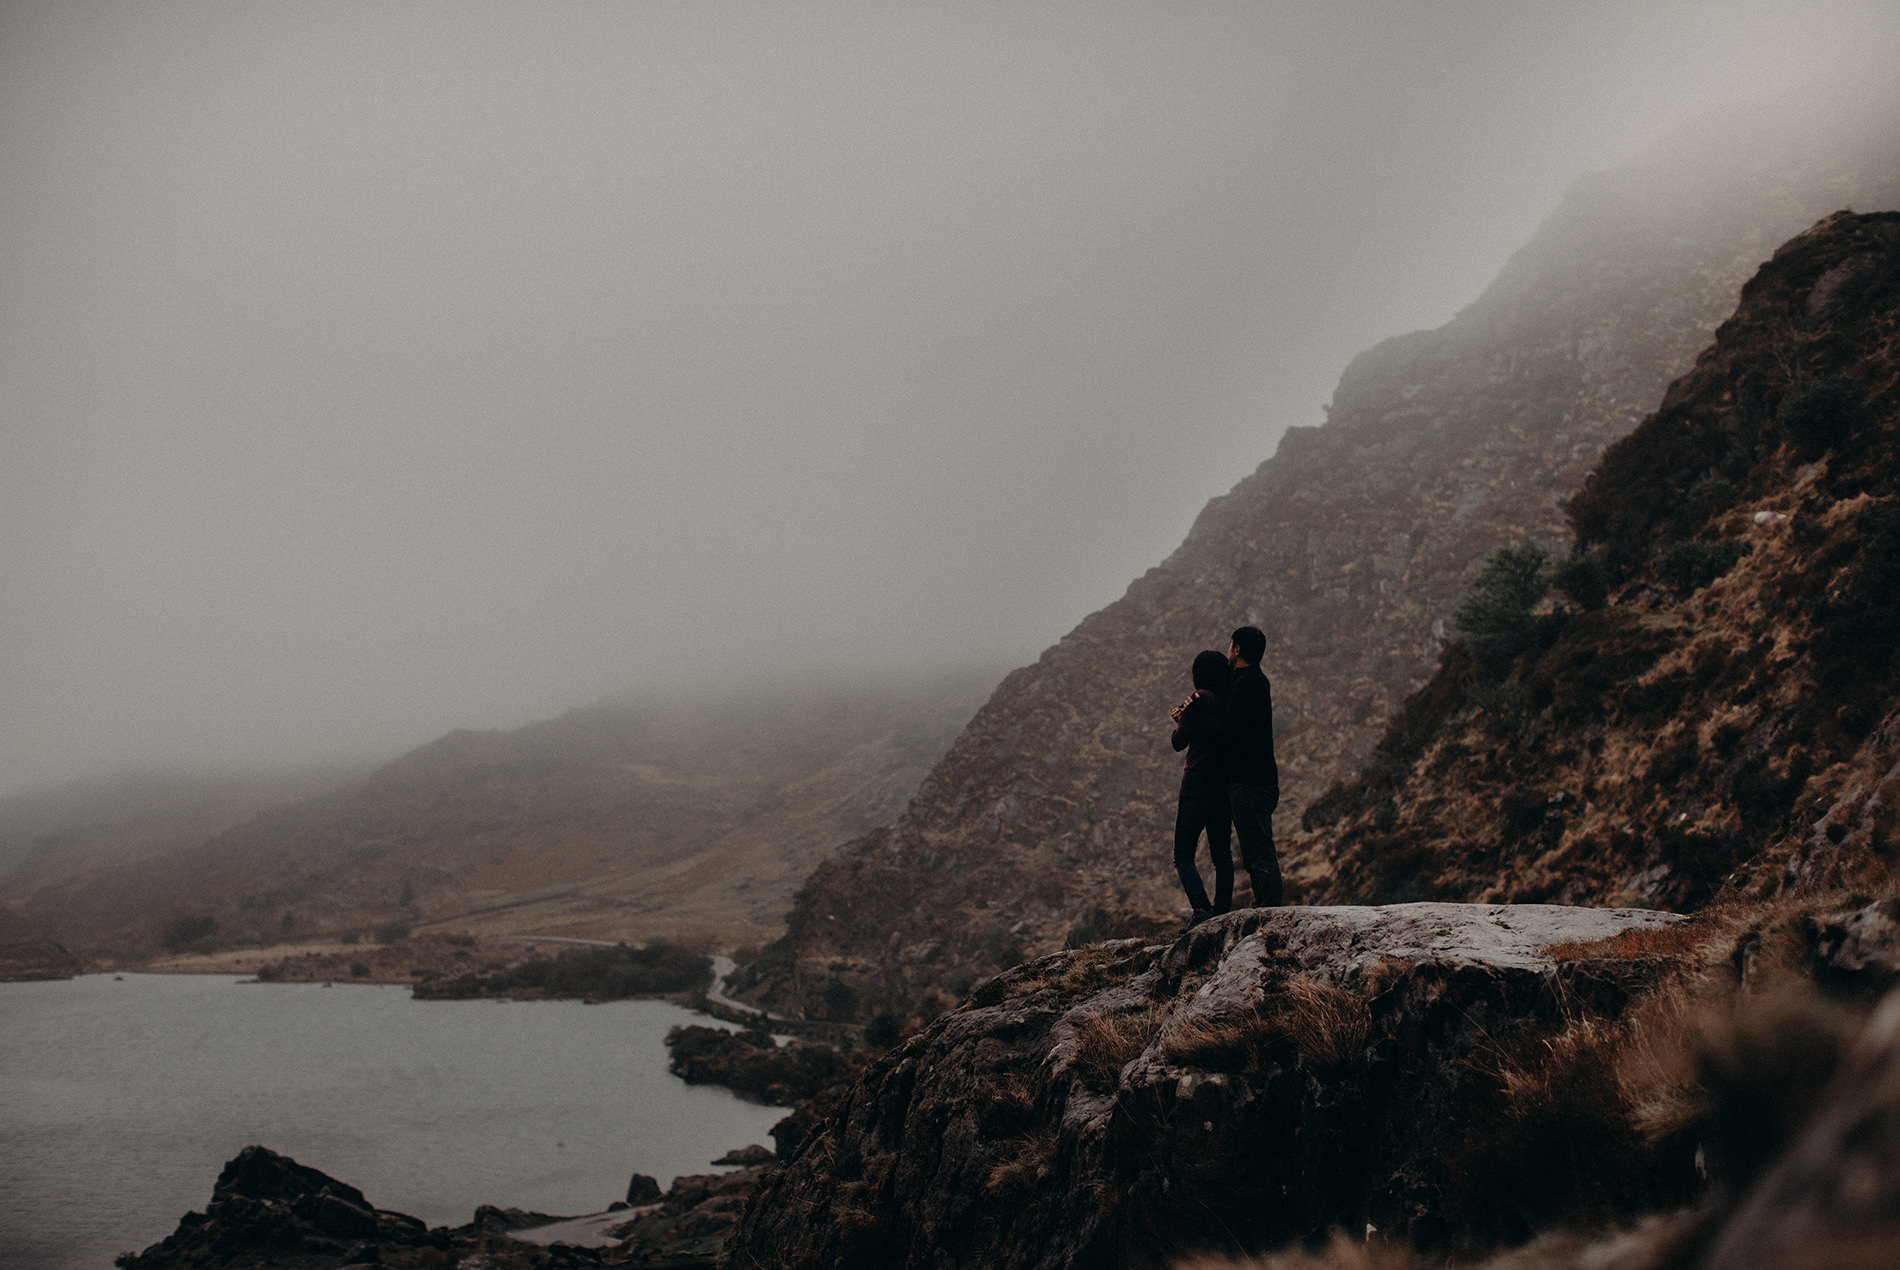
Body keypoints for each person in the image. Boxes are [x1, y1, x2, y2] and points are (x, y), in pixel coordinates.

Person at [1168, 650, 1235, 926]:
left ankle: (1202, 909)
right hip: (1223, 787)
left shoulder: (1196, 700)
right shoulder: (1230, 700)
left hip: (1195, 786)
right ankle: (1223, 910)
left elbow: (1178, 742)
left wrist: (1180, 722)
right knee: (1222, 856)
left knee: (1183, 855)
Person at [1223, 624, 1283, 906]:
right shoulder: (1256, 680)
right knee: (1256, 849)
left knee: (1258, 852)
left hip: (1249, 781)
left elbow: (1230, 728)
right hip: (1259, 778)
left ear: (1236, 649)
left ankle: (1269, 910)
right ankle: (1266, 905)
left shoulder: (1246, 684)